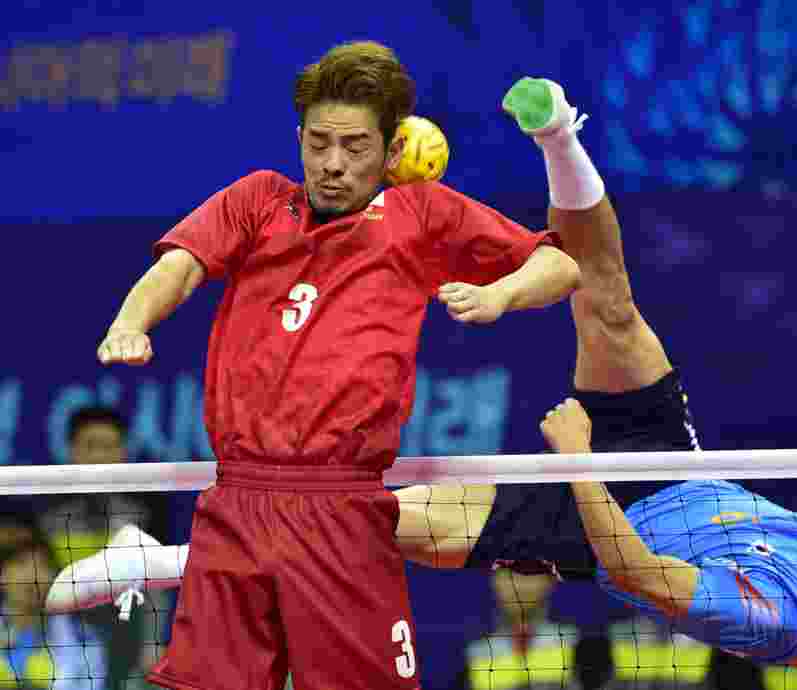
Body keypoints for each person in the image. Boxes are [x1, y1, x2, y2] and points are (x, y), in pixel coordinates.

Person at [50, 79, 797, 664]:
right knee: (608, 294)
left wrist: (577, 460)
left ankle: (162, 562)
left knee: (375, 523)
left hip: (599, 527)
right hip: (668, 463)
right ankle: (559, 131)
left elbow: (644, 572)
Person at [92, 42, 580, 690]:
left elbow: (561, 266)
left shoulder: (422, 214)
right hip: (235, 502)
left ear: (390, 150)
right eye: (318, 142)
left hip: (342, 508)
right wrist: (130, 322)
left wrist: (497, 295)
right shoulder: (258, 201)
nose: (332, 164)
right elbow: (178, 269)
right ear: (298, 137)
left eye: (354, 147)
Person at [38, 406, 166, 690]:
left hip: (127, 636)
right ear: (72, 451)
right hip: (66, 641)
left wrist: (152, 645)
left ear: (124, 453)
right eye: (90, 446)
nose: (99, 456)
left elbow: (157, 590)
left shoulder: (144, 511)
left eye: (108, 446)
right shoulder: (46, 515)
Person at [0, 518, 107, 690]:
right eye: (21, 564)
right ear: (3, 575)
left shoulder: (84, 639)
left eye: (42, 565)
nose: (32, 575)